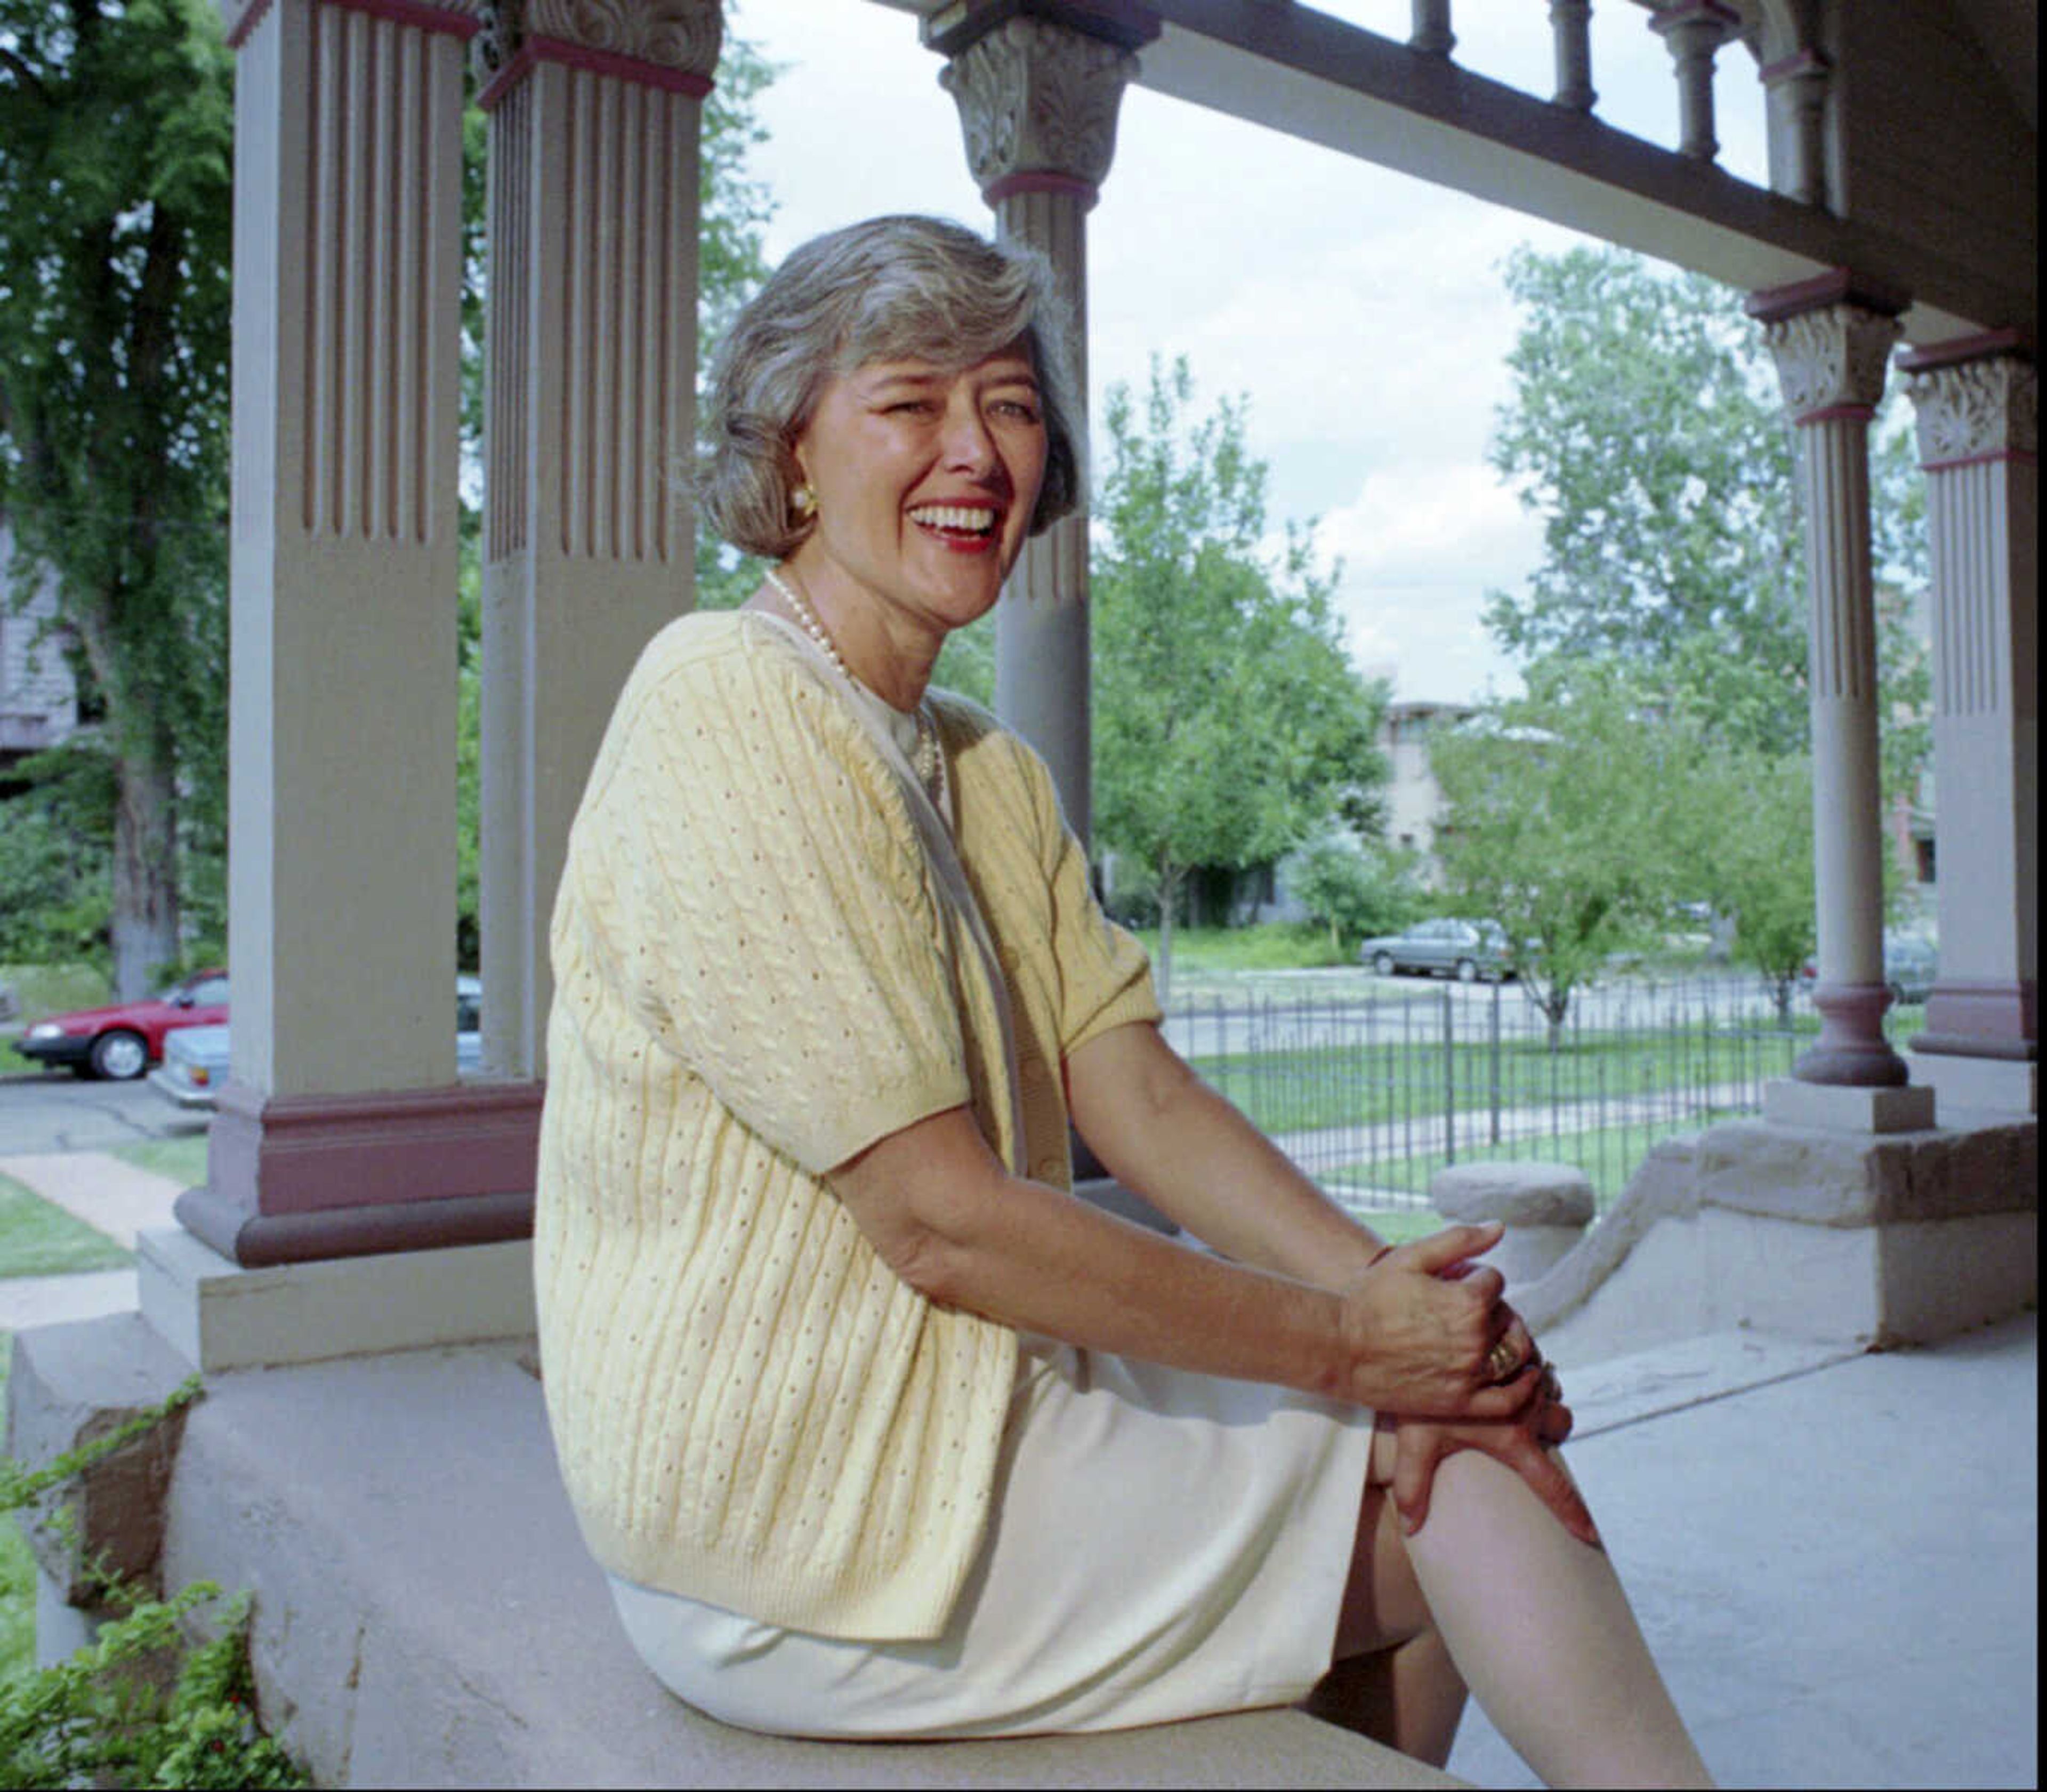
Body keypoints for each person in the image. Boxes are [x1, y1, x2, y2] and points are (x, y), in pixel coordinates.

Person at [533, 214, 1713, 1787]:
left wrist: (1418, 1316)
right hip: (804, 1527)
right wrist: (1360, 1352)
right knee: (1460, 1487)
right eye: (912, 400)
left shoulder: (980, 765)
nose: (977, 450)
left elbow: (1137, 1095)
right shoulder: (728, 705)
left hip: (971, 1415)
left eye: (1012, 406)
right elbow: (941, 1223)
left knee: (1465, 1437)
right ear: (793, 449)